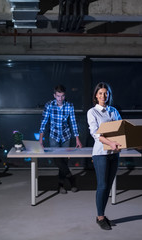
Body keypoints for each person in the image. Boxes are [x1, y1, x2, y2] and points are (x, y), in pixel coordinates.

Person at [87, 82, 122, 230]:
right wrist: (110, 142)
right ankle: (100, 217)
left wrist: (133, 142)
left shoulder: (113, 110)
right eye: (100, 93)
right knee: (102, 185)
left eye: (106, 93)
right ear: (96, 95)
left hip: (114, 153)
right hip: (100, 153)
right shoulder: (92, 112)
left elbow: (121, 129)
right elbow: (96, 134)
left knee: (108, 186)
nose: (103, 96)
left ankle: (102, 214)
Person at [39, 84, 83, 194]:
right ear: (54, 95)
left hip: (66, 136)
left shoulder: (69, 106)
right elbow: (44, 122)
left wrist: (77, 139)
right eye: (58, 96)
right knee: (57, 160)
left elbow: (73, 123)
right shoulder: (49, 105)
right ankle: (71, 179)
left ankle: (60, 186)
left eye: (62, 96)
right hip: (53, 136)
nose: (60, 99)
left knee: (64, 161)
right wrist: (40, 139)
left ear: (65, 95)